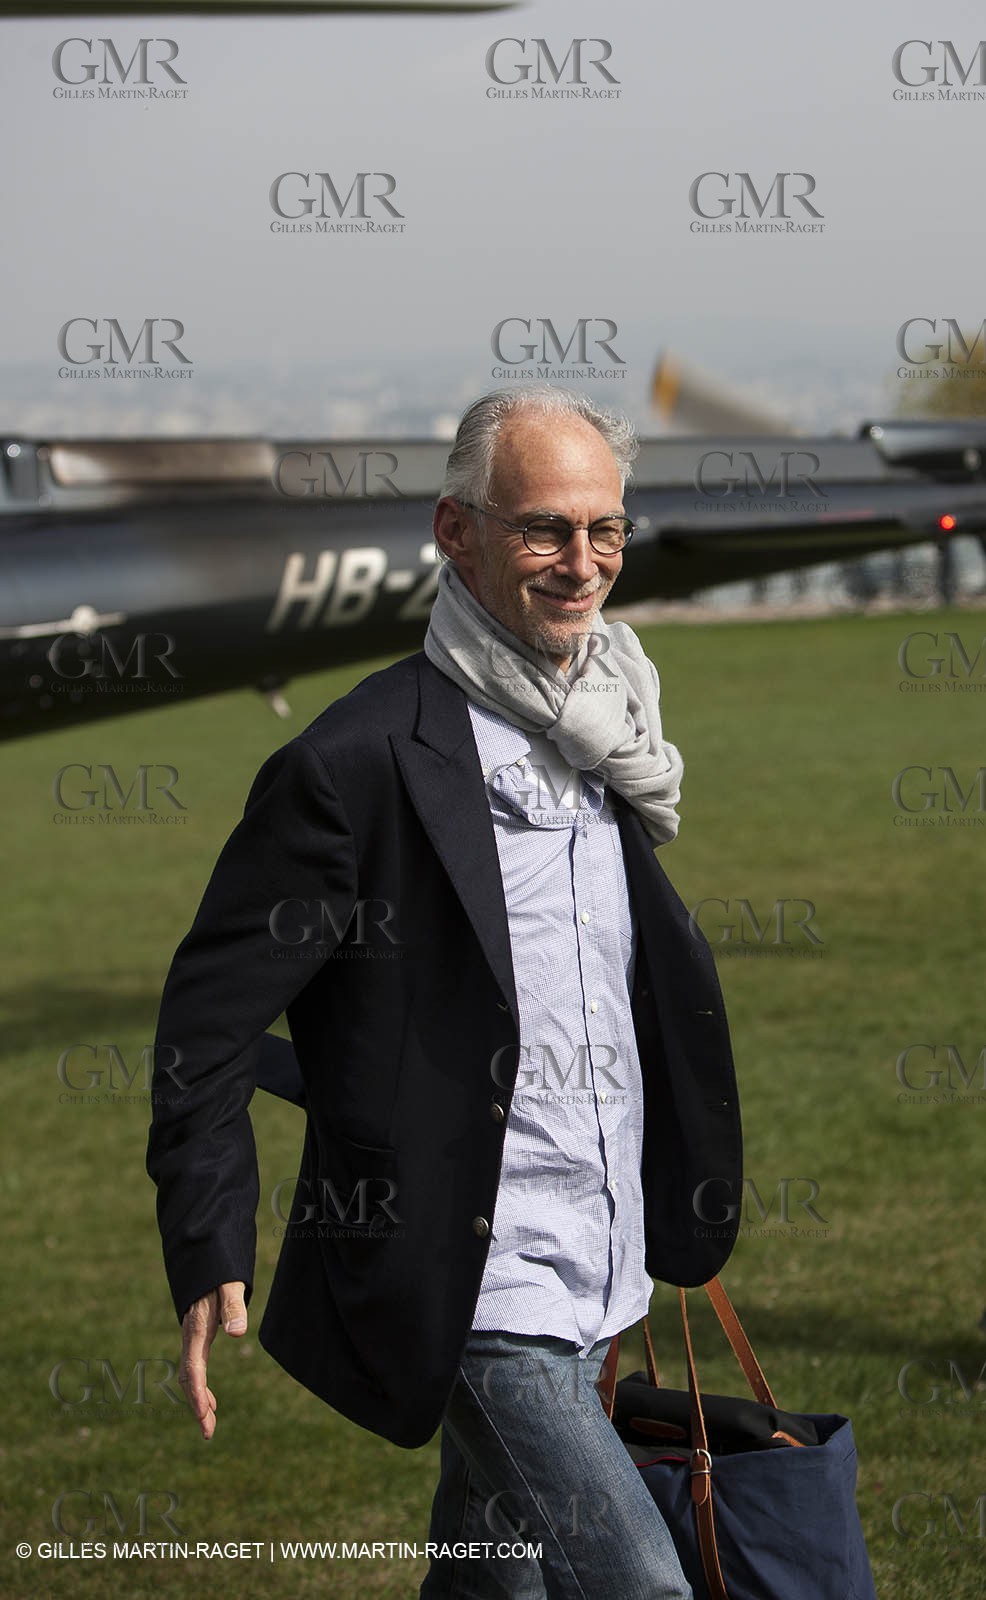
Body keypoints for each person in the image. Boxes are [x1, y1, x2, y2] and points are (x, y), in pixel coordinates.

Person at [147, 385, 743, 1599]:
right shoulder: (350, 764)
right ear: (453, 530)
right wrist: (208, 1235)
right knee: (640, 1583)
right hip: (471, 1273)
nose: (581, 564)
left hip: (603, 1254)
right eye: (543, 530)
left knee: (496, 1579)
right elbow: (207, 1020)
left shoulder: (609, 723)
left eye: (604, 531)